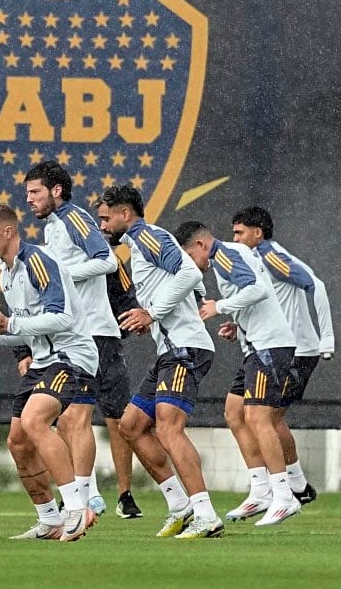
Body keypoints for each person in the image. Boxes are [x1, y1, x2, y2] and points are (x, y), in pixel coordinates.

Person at [96, 185, 222, 539]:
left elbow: (190, 274)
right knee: (131, 425)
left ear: (125, 215)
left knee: (168, 429)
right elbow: (190, 284)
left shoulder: (147, 235)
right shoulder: (138, 245)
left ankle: (206, 514)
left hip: (185, 349)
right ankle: (180, 507)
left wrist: (152, 312)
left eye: (107, 218)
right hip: (171, 350)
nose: (102, 225)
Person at [0, 203, 98, 543]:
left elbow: (62, 318)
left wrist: (8, 322)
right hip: (43, 360)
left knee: (34, 421)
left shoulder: (38, 261)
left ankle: (77, 508)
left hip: (71, 356)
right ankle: (50, 519)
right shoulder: (6, 273)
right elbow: (26, 331)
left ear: (8, 232)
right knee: (17, 442)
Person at [176, 220, 301, 527]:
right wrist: (239, 323)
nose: (193, 265)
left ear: (202, 245)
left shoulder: (225, 255)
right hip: (256, 346)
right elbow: (258, 294)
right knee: (233, 412)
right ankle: (260, 490)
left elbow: (257, 289)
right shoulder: (228, 255)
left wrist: (221, 306)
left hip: (270, 347)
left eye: (190, 256)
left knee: (260, 418)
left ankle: (284, 496)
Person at [25, 161, 125, 518]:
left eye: (35, 192)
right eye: (27, 194)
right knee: (67, 418)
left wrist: (63, 273)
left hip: (95, 332)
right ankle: (88, 494)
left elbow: (108, 261)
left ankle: (84, 500)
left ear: (56, 191)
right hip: (73, 334)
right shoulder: (53, 227)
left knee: (76, 419)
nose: (30, 201)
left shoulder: (74, 218)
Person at [232, 206, 332, 507]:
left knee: (267, 418)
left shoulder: (269, 256)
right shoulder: (253, 261)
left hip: (295, 352)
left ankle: (293, 487)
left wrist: (326, 336)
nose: (233, 239)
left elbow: (317, 285)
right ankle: (265, 488)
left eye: (239, 232)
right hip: (263, 349)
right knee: (234, 412)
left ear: (257, 233)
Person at [101, 226, 145, 519]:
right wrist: (24, 352)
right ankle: (78, 492)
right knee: (68, 418)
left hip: (106, 347)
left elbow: (127, 297)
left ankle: (124, 495)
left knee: (119, 420)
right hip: (69, 347)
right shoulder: (53, 259)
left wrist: (128, 324)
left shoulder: (109, 260)